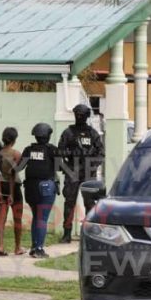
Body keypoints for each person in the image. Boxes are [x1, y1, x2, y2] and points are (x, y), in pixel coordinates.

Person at [58, 103, 104, 243]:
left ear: (86, 116)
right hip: (72, 171)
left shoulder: (93, 133)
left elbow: (101, 153)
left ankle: (90, 234)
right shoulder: (68, 133)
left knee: (89, 203)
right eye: (77, 114)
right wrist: (67, 168)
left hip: (88, 173)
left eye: (81, 114)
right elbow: (60, 153)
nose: (79, 117)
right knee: (69, 203)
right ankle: (67, 233)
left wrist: (92, 166)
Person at [20, 123, 59, 258]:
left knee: (36, 217)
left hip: (30, 188)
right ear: (48, 136)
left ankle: (34, 247)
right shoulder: (52, 150)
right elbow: (61, 167)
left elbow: (19, 167)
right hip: (45, 187)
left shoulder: (28, 150)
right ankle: (39, 249)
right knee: (42, 218)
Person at [0, 127, 24, 256]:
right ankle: (17, 248)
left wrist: (0, 192)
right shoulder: (16, 154)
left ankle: (1, 246)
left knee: (2, 218)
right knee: (17, 219)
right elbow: (13, 174)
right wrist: (11, 194)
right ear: (14, 139)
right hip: (14, 189)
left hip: (1, 186)